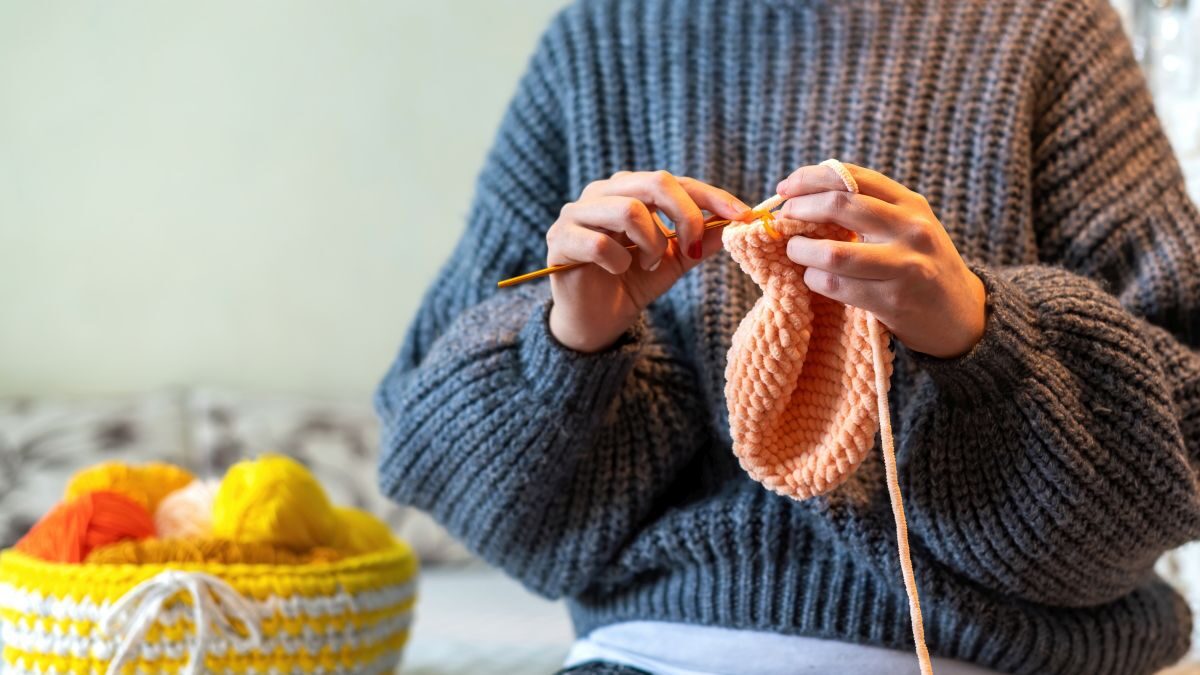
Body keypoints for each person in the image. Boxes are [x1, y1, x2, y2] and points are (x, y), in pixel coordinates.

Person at [375, 0, 1200, 672]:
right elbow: (444, 461)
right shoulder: (596, 39)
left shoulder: (1044, 27)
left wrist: (977, 331)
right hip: (653, 653)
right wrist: (571, 341)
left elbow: (1182, 434)